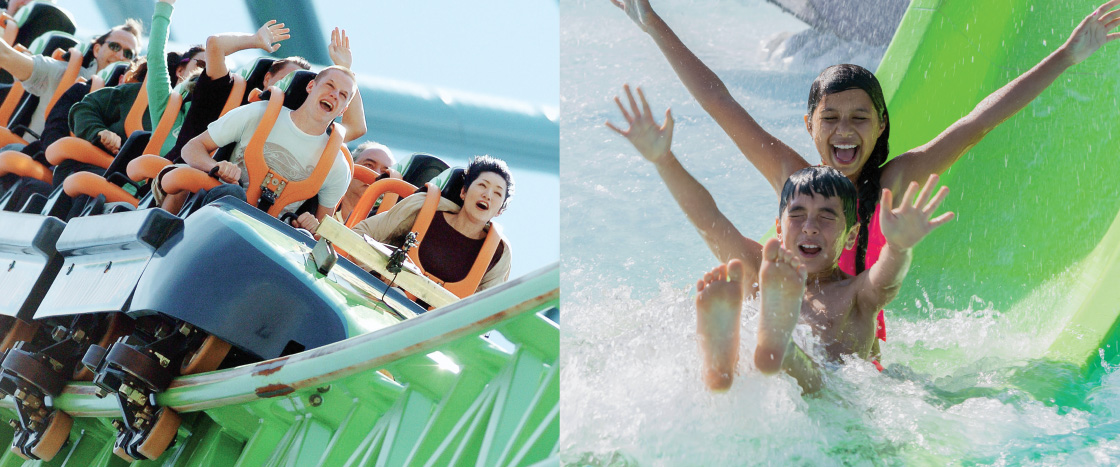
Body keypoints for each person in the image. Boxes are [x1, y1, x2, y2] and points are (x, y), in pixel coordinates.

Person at [613, 0, 1120, 356]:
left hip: (854, 332)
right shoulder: (794, 175)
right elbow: (719, 101)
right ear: (808, 125)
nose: (844, 131)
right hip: (793, 306)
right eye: (830, 117)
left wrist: (1067, 56)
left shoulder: (894, 179)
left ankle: (766, 346)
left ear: (881, 126)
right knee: (744, 289)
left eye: (860, 118)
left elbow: (976, 124)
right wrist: (651, 22)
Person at [607, 86, 954, 393]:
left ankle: (775, 347)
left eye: (827, 216)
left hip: (829, 398)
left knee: (828, 383)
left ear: (852, 237)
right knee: (742, 374)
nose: (810, 227)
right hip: (771, 393)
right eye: (798, 215)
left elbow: (889, 276)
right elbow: (708, 220)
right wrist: (663, 160)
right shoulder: (762, 267)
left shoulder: (858, 293)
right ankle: (724, 363)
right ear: (778, 227)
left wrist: (899, 245)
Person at [306, 155, 514, 293]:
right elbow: (363, 233)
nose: (487, 195)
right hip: (378, 294)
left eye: (497, 193)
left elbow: (485, 311)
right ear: (463, 192)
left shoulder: (499, 252)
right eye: (482, 186)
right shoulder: (424, 208)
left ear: (501, 210)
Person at [179, 65, 356, 220]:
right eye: (329, 85)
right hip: (223, 210)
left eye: (342, 95)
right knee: (232, 193)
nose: (334, 95)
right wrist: (216, 166)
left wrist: (309, 225)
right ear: (311, 86)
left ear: (344, 109)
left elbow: (321, 228)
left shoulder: (337, 165)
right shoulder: (259, 113)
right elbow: (191, 148)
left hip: (273, 239)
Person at [0, 18, 141, 138]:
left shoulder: (129, 105)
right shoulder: (66, 73)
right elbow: (6, 56)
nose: (120, 56)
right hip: (31, 157)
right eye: (115, 46)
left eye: (129, 54)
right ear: (97, 50)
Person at [336, 140, 395, 221]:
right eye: (369, 165)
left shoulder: (384, 226)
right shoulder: (317, 202)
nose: (376, 174)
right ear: (349, 164)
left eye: (384, 172)